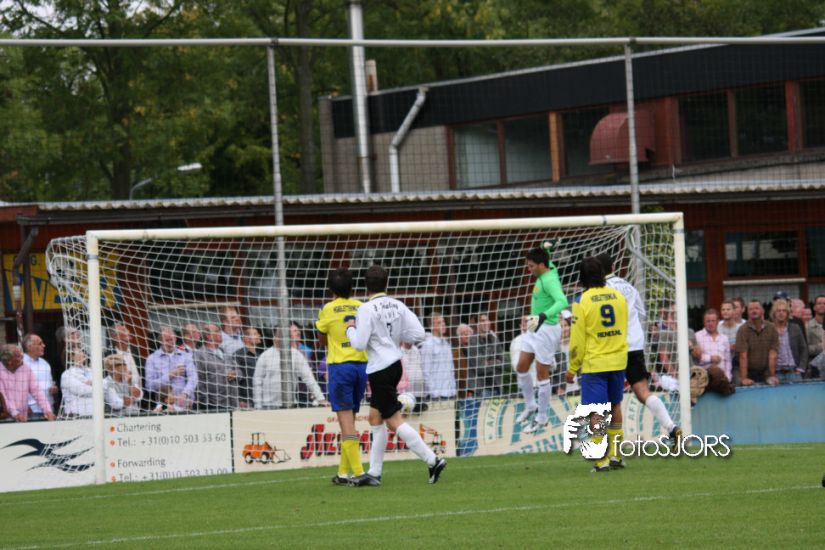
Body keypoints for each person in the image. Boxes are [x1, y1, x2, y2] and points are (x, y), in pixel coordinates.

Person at [346, 265, 446, 486]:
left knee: (393, 421)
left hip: (380, 369)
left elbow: (359, 344)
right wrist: (397, 337)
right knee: (375, 418)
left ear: (366, 285)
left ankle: (433, 460)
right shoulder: (398, 305)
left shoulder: (366, 308)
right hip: (396, 364)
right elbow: (419, 334)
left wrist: (350, 328)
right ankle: (374, 473)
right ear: (386, 283)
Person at [595, 253, 682, 447]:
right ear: (613, 267)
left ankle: (613, 446)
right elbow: (641, 313)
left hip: (614, 346)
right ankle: (672, 427)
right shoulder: (629, 287)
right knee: (643, 392)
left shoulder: (600, 291)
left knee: (612, 399)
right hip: (635, 345)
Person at [565, 257, 628, 472]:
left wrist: (572, 367)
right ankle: (616, 455)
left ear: (582, 277)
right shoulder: (618, 297)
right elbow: (624, 327)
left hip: (596, 363)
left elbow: (577, 339)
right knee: (615, 405)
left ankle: (601, 460)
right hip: (618, 360)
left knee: (596, 411)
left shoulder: (582, 301)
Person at [315, 268, 369, 485]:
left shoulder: (327, 309)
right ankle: (343, 473)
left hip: (340, 367)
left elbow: (322, 340)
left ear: (331, 289)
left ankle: (359, 473)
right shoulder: (361, 307)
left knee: (346, 422)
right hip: (362, 366)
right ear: (352, 287)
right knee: (350, 420)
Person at [515, 245, 569, 434]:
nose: (529, 269)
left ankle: (542, 417)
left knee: (541, 375)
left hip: (546, 327)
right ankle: (531, 405)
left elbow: (562, 301)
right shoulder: (549, 267)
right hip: (534, 322)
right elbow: (547, 256)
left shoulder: (550, 280)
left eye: (531, 266)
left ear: (540, 265)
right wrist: (548, 246)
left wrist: (545, 315)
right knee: (521, 367)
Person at [253, 329, 327, 409]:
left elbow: (309, 378)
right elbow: (257, 382)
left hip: (291, 403)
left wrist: (321, 399)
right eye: (279, 335)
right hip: (268, 405)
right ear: (274, 337)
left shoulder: (296, 354)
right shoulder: (265, 356)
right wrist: (258, 405)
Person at [145, 326, 198, 410]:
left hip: (185, 404)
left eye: (172, 339)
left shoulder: (185, 356)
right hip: (163, 406)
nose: (170, 342)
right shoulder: (152, 359)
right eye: (167, 340)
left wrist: (185, 394)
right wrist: (169, 375)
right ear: (160, 341)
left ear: (175, 338)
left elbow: (193, 378)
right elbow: (149, 386)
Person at [0, 344, 56, 422]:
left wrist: (47, 411)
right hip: (5, 419)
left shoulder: (26, 368)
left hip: (23, 417)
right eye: (18, 356)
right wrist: (15, 413)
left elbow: (37, 391)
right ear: (9, 362)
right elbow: (4, 398)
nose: (22, 356)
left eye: (21, 353)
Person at [60, 348, 122, 417]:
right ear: (71, 357)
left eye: (82, 351)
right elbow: (83, 390)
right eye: (79, 352)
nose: (83, 353)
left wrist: (93, 383)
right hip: (76, 416)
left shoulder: (91, 371)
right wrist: (98, 384)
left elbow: (106, 386)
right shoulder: (66, 375)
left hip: (96, 415)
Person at [194, 323, 239, 411]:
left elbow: (239, 371)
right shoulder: (200, 355)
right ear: (208, 336)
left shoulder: (225, 352)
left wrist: (235, 374)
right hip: (213, 405)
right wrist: (206, 404)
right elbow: (199, 382)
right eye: (217, 331)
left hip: (232, 403)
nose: (220, 333)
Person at [693, 308, 735, 396]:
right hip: (704, 377)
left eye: (713, 321)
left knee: (721, 374)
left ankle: (725, 385)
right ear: (704, 322)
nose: (710, 323)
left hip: (722, 378)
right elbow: (695, 357)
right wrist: (710, 358)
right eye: (708, 321)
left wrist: (728, 377)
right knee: (714, 370)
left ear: (717, 322)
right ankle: (726, 388)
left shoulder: (724, 338)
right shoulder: (697, 336)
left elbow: (728, 361)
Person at [736, 300, 779, 386]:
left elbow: (773, 355)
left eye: (756, 308)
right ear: (747, 312)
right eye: (751, 309)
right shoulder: (742, 330)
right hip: (749, 371)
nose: (754, 311)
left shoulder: (772, 328)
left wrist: (772, 375)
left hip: (766, 371)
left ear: (762, 311)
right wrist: (744, 378)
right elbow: (743, 356)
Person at [419, 313, 457, 401]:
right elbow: (425, 372)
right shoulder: (428, 345)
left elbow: (451, 369)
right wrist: (435, 393)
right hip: (437, 396)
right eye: (439, 323)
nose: (443, 324)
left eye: (443, 321)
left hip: (451, 393)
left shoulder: (447, 344)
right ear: (432, 326)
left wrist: (453, 390)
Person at [770, 298, 807, 383]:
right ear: (774, 313)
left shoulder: (795, 328)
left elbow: (804, 349)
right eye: (778, 311)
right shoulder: (769, 330)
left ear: (787, 313)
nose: (781, 313)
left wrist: (801, 368)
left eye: (784, 311)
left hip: (794, 372)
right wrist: (770, 373)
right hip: (776, 373)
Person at [466, 313, 504, 398]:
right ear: (477, 324)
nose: (486, 323)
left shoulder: (495, 339)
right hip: (481, 389)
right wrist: (495, 362)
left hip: (497, 387)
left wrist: (489, 362)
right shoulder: (472, 340)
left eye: (487, 320)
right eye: (482, 321)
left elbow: (503, 362)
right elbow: (480, 368)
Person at [22, 333, 57, 419]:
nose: (44, 345)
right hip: (31, 410)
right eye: (40, 343)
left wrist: (53, 388)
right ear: (30, 347)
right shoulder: (21, 363)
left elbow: (50, 383)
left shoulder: (45, 363)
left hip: (49, 409)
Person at [109, 324, 142, 410]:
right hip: (119, 405)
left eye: (126, 329)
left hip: (138, 403)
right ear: (116, 338)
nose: (128, 332)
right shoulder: (109, 355)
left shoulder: (135, 350)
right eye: (124, 330)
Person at [233, 327, 262, 409]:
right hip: (246, 400)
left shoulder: (260, 355)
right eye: (255, 334)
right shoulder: (239, 355)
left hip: (259, 398)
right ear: (246, 338)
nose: (259, 335)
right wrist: (240, 399)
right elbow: (235, 379)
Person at [718, 300, 745, 385]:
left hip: (736, 364)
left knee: (738, 382)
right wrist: (728, 347)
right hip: (721, 363)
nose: (725, 311)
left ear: (734, 311)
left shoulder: (741, 329)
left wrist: (738, 347)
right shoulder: (717, 328)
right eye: (723, 309)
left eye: (728, 309)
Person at [510, 315, 537, 387]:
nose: (527, 323)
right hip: (527, 387)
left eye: (530, 320)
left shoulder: (541, 339)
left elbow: (553, 366)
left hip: (543, 385)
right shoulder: (517, 341)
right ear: (520, 326)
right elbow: (516, 366)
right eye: (525, 321)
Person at [454, 323, 473, 398]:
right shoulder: (455, 355)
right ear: (459, 337)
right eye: (463, 333)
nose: (466, 335)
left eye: (468, 332)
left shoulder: (480, 351)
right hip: (463, 393)